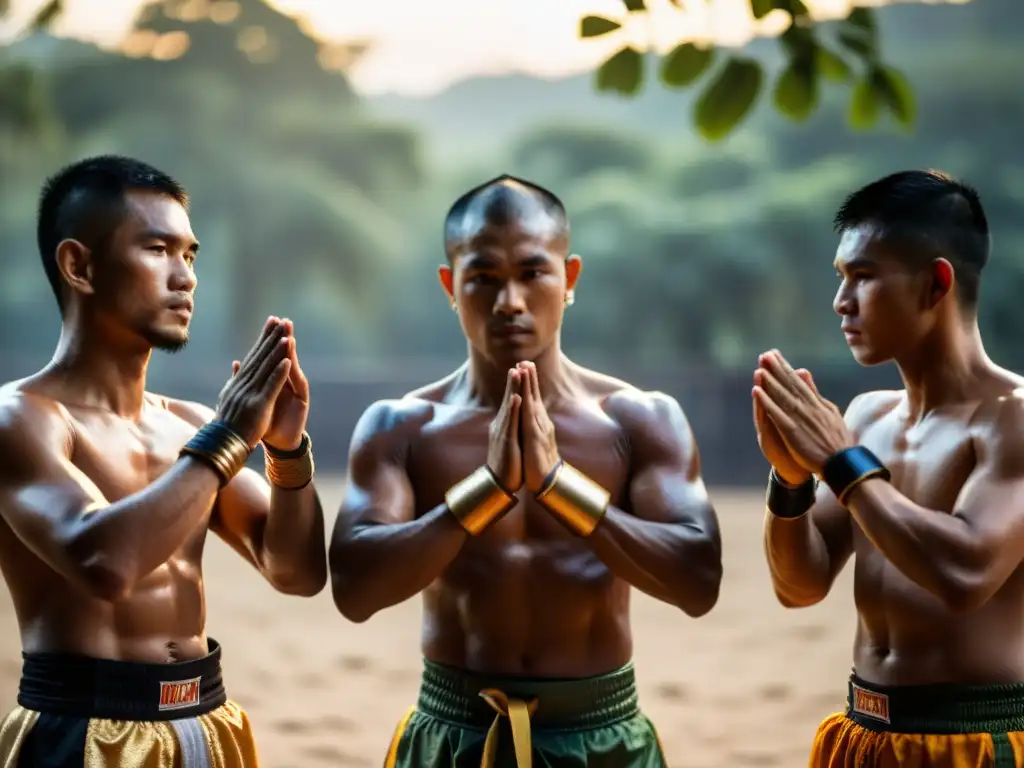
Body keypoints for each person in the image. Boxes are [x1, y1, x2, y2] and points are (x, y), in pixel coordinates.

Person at [329, 174, 723, 767]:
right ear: (450, 287)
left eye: (532, 273)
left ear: (569, 279)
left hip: (602, 737)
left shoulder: (639, 419)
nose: (508, 301)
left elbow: (698, 581)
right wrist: (485, 493)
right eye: (483, 278)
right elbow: (356, 591)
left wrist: (558, 485)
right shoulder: (400, 426)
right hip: (455, 735)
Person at [0, 155, 327, 767]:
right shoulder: (24, 418)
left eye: (190, 254)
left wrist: (284, 451)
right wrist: (230, 435)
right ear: (80, 265)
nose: (186, 277)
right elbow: (102, 562)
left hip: (207, 724)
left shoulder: (189, 425)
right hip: (82, 734)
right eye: (157, 249)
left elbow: (297, 573)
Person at [755, 169, 1024, 767]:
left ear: (935, 284)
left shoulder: (1013, 419)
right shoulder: (867, 416)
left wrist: (839, 463)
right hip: (862, 734)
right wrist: (792, 481)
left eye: (864, 276)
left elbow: (964, 574)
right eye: (841, 277)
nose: (840, 302)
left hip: (973, 743)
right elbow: (799, 586)